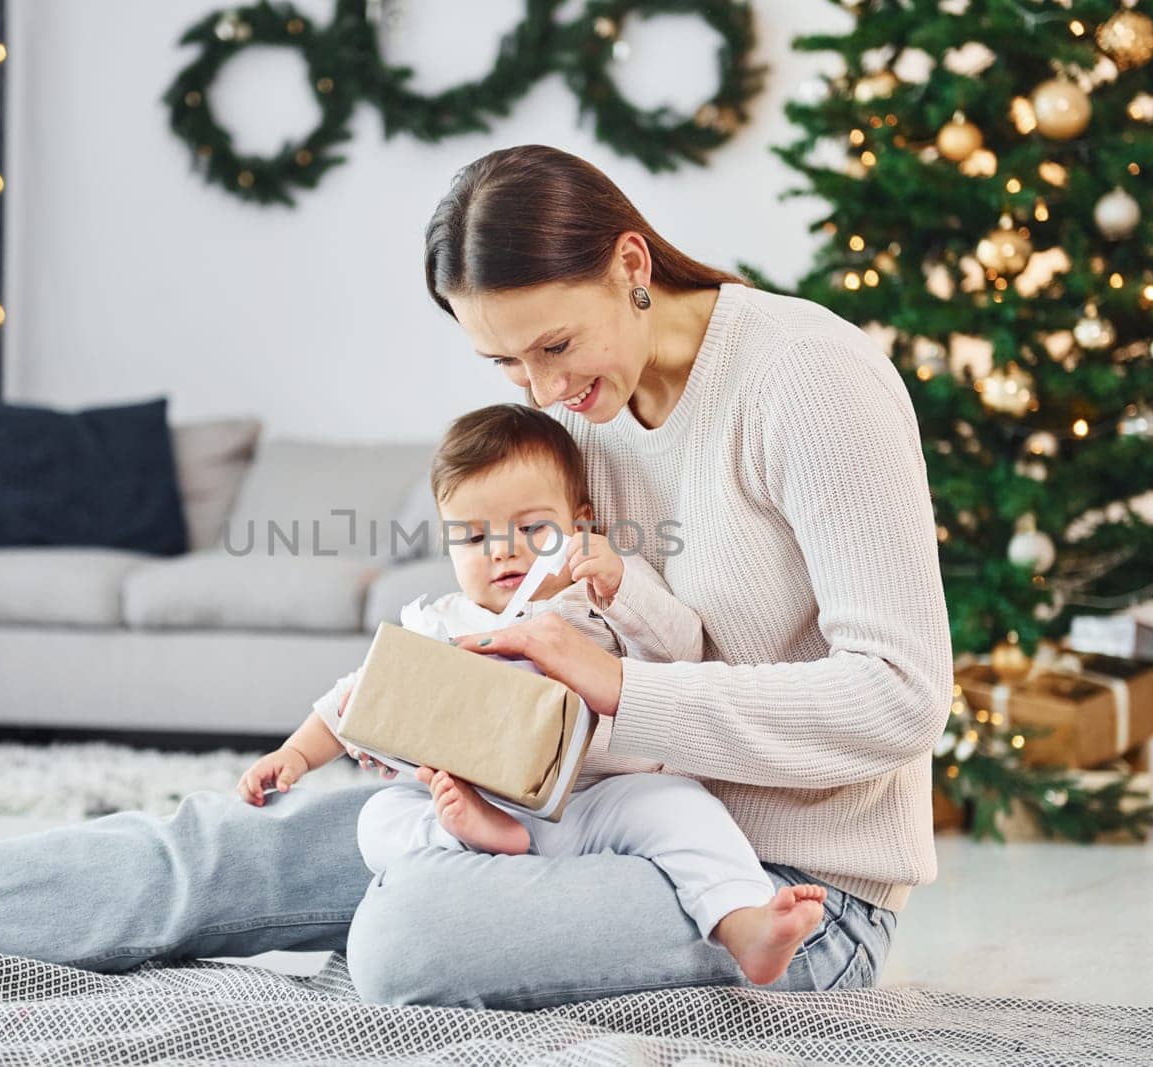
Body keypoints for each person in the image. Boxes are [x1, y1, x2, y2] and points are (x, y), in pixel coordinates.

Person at [0, 144, 951, 1009]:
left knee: (407, 939)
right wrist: (455, 731)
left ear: (631, 260)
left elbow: (902, 698)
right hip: (564, 809)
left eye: (555, 343)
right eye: (509, 368)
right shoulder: (589, 414)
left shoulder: (808, 382)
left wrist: (613, 693)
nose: (549, 393)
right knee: (228, 837)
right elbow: (558, 631)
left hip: (783, 886)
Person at [239, 403, 825, 986]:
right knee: (379, 819)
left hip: (605, 798)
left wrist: (621, 586)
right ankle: (471, 836)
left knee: (685, 809)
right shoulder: (442, 624)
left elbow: (684, 652)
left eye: (532, 529)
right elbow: (357, 696)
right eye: (472, 536)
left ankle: (742, 923)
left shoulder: (604, 594)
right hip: (482, 803)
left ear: (581, 525)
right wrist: (294, 755)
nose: (502, 550)